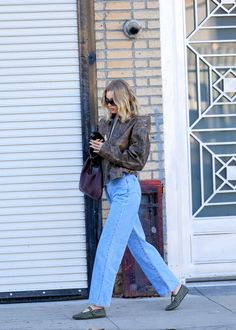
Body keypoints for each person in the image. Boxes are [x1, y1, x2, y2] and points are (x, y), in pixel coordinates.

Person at [73, 79, 188, 320]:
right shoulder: (106, 123)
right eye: (105, 100)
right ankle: (175, 287)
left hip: (127, 189)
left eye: (112, 100)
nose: (108, 104)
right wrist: (95, 150)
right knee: (138, 244)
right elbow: (104, 158)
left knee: (108, 244)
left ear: (122, 98)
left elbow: (137, 160)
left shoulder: (138, 124)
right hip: (113, 190)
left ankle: (97, 304)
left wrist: (105, 149)